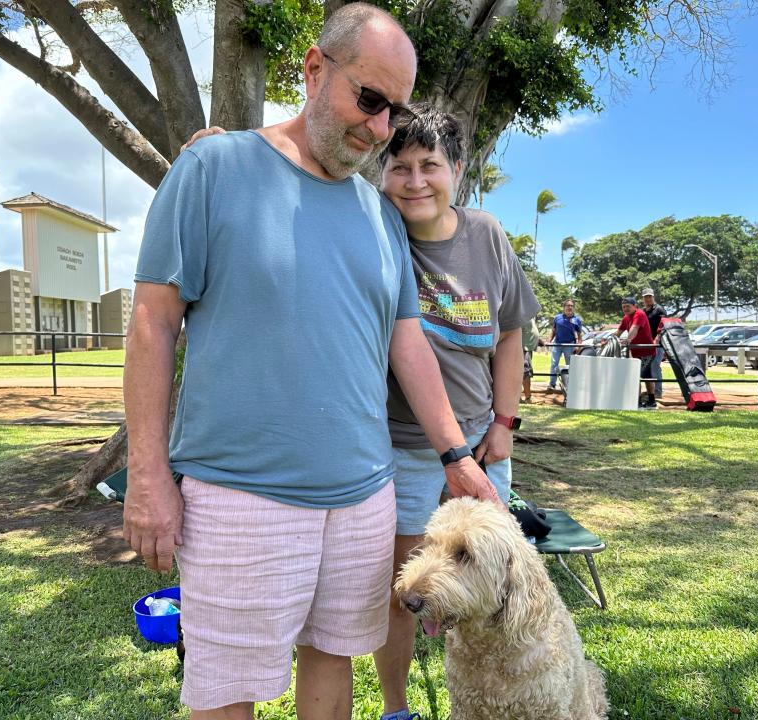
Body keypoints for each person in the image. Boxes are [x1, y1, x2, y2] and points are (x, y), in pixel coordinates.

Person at [123, 6, 498, 720]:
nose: (382, 129)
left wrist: (456, 453)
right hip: (239, 494)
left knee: (334, 660)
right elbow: (152, 321)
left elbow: (405, 341)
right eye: (369, 100)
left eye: (394, 111)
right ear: (315, 68)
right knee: (225, 685)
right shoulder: (214, 167)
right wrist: (147, 475)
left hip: (363, 495)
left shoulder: (380, 213)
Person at [374, 104, 541, 720]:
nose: (415, 181)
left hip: (480, 446)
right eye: (400, 168)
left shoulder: (486, 235)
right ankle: (396, 708)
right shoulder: (376, 231)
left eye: (430, 166)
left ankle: (508, 696)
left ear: (458, 171)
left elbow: (511, 334)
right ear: (383, 174)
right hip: (402, 452)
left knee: (499, 589)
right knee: (406, 592)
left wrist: (503, 423)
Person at [613, 296, 657, 408]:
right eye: (623, 307)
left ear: (635, 306)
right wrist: (608, 340)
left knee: (636, 375)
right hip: (636, 352)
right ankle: (650, 401)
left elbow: (634, 329)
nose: (626, 309)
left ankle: (638, 402)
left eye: (628, 306)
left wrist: (628, 339)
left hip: (647, 351)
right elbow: (618, 332)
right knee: (646, 376)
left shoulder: (639, 314)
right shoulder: (626, 318)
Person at [546, 299, 583, 391]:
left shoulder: (577, 319)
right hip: (557, 344)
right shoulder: (557, 318)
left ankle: (569, 386)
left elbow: (579, 334)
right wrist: (549, 340)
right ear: (564, 307)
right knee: (554, 364)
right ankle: (552, 384)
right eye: (568, 305)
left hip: (569, 345)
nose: (570, 307)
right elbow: (554, 330)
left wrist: (578, 345)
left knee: (569, 365)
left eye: (571, 306)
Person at [641, 287, 666, 398]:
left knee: (655, 365)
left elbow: (664, 325)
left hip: (657, 343)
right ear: (643, 298)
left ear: (653, 297)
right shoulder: (642, 311)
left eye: (650, 296)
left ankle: (658, 392)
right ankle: (651, 391)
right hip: (646, 344)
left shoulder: (659, 309)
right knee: (647, 367)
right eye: (646, 297)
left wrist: (657, 338)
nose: (648, 299)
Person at [521, 316, 542, 403]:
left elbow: (529, 330)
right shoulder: (520, 312)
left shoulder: (527, 312)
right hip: (522, 348)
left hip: (527, 348)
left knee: (524, 371)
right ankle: (528, 397)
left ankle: (519, 397)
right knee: (525, 371)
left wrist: (538, 340)